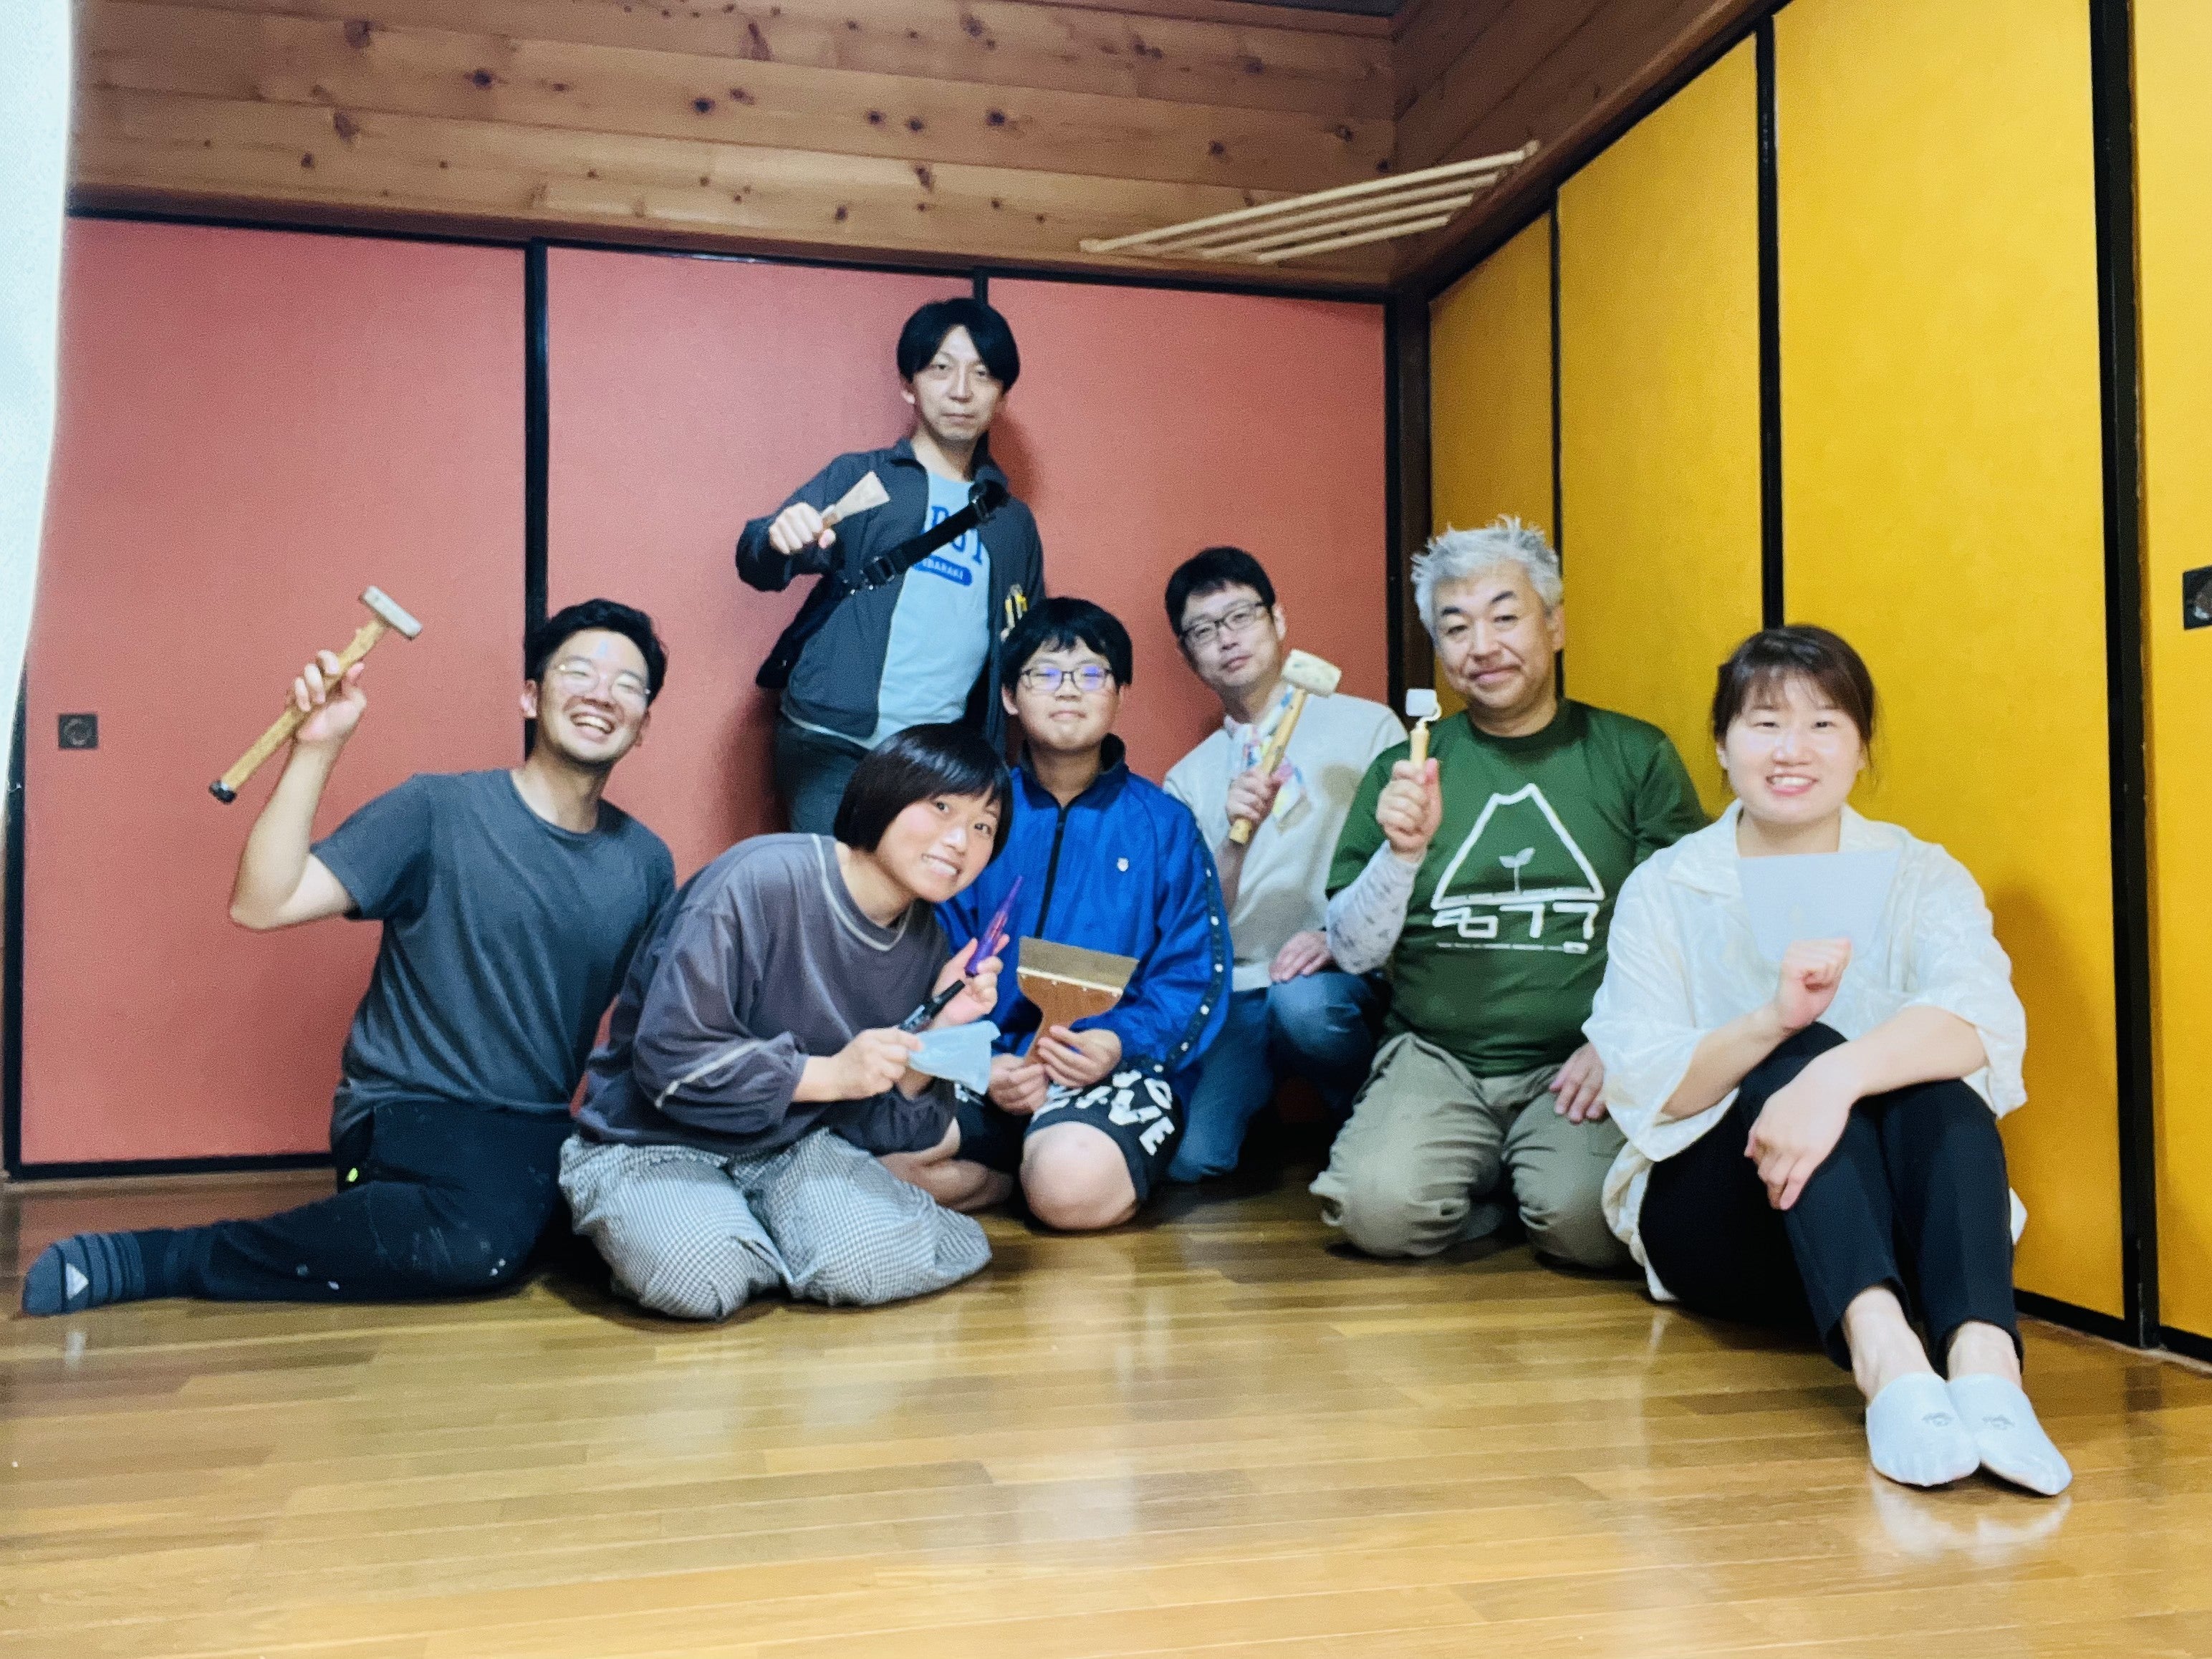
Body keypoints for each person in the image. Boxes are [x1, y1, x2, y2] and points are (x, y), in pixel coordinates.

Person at [23, 600, 676, 1314]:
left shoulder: (645, 863)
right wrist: (316, 749)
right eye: (578, 672)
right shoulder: (437, 810)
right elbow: (264, 902)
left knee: (638, 1242)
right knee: (475, 1242)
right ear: (530, 695)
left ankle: (509, 1215)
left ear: (643, 724)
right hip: (409, 1112)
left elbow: (652, 1033)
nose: (600, 694)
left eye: (627, 685)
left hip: (536, 1127)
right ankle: (160, 1258)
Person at [1585, 626, 2067, 1495]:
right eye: (1765, 723)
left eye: (1823, 725)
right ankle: (1887, 1362)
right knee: (1795, 1044)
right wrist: (1776, 1026)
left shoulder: (1920, 873)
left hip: (1904, 1231)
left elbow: (1982, 1022)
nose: (1791, 750)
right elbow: (1649, 1086)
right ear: (1722, 745)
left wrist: (1835, 1080)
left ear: (1861, 747)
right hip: (1728, 1220)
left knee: (1934, 1083)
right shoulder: (1665, 885)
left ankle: (1986, 1368)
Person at [1316, 519, 1706, 1267]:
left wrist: (1618, 1040)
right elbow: (1353, 952)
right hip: (1438, 1054)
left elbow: (1691, 925)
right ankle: (1482, 1176)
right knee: (1377, 1216)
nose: (1482, 646)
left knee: (1592, 1229)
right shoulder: (1405, 769)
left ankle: (1509, 1179)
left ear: (1554, 626)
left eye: (1505, 617)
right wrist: (1401, 855)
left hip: (1578, 1057)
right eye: (1456, 628)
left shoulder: (1634, 755)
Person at [559, 725, 1009, 1319]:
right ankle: (729, 1236)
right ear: (885, 792)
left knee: (870, 1261)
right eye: (943, 807)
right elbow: (670, 1059)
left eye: (983, 827)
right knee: (700, 1277)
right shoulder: (761, 876)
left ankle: (749, 1237)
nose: (959, 840)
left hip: (793, 1148)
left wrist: (940, 1029)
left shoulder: (927, 945)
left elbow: (883, 1133)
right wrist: (830, 1075)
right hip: (652, 1139)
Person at [883, 598, 1230, 1231]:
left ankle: (1043, 1171)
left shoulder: (1165, 826)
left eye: (1092, 673)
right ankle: (1009, 1176)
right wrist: (979, 1062)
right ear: (1011, 697)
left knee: (1070, 1189)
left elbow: (1193, 976)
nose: (1068, 689)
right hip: (991, 1066)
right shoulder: (971, 820)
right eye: (1044, 673)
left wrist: (1117, 1042)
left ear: (1120, 693)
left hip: (1111, 1066)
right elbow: (930, 956)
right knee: (881, 1164)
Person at [736, 297, 1046, 835]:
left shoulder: (1012, 522)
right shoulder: (864, 477)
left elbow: (1027, 640)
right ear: (909, 384)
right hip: (831, 738)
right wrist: (776, 538)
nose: (961, 390)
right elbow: (758, 561)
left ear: (1002, 397)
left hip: (938, 757)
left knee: (920, 888)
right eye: (941, 369)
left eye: (982, 374)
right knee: (836, 881)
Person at [1158, 547, 1403, 1182]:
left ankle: (1369, 1121)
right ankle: (1260, 1101)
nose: (1227, 639)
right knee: (1189, 1160)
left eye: (1241, 616)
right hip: (1240, 986)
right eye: (1204, 630)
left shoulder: (1368, 728)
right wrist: (1234, 839)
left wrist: (1337, 938)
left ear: (1279, 620)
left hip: (1341, 971)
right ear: (1188, 655)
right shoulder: (1188, 779)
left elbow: (1406, 862)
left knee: (1305, 1010)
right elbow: (1197, 921)